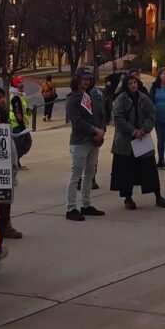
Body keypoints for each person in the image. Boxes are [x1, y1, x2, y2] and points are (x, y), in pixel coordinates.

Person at [110, 73, 165, 210]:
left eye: (135, 82)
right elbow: (118, 119)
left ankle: (158, 196)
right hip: (125, 141)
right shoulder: (121, 99)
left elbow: (151, 115)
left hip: (142, 138)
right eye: (130, 83)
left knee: (149, 169)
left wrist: (143, 130)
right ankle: (128, 198)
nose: (133, 85)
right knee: (126, 171)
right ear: (126, 85)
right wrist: (133, 131)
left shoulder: (144, 98)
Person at [64, 68, 106, 221]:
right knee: (76, 176)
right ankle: (71, 208)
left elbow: (101, 114)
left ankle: (86, 204)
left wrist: (102, 129)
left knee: (89, 175)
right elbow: (77, 121)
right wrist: (95, 130)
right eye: (83, 79)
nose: (86, 81)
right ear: (77, 79)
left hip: (94, 141)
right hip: (80, 142)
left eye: (89, 79)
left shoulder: (92, 96)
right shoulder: (72, 99)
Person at [0, 87, 24, 240]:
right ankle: (2, 228)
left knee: (6, 202)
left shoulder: (2, 115)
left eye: (3, 97)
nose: (3, 100)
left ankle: (5, 226)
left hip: (8, 170)